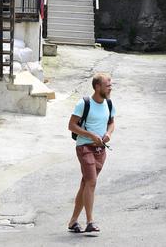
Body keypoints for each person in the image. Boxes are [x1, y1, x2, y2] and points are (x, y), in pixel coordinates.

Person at [67, 72, 115, 234]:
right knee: (92, 182)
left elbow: (111, 123)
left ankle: (73, 221)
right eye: (107, 86)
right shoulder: (84, 103)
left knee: (86, 184)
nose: (110, 88)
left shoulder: (109, 104)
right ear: (97, 86)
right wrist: (90, 135)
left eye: (110, 85)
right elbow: (72, 126)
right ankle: (89, 221)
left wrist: (108, 134)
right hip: (85, 147)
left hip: (100, 150)